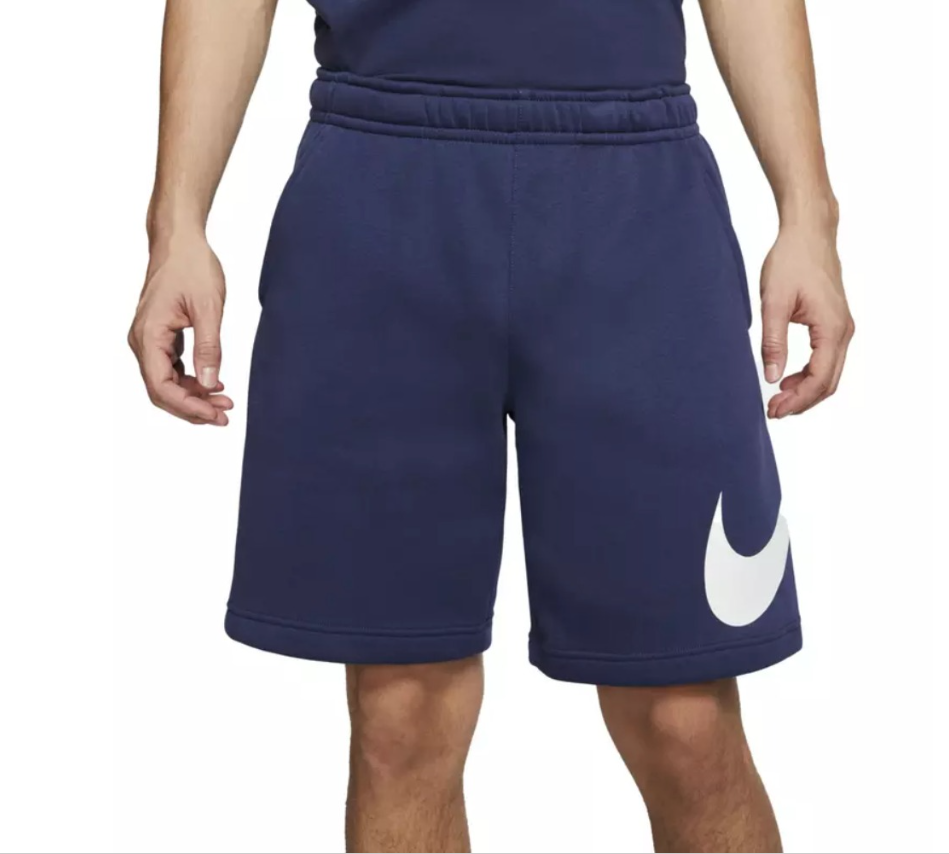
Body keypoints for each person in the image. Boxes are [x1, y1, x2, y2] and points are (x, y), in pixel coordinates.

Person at [128, 0, 854, 850]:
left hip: (634, 189)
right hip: (379, 182)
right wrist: (175, 227)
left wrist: (808, 217)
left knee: (682, 718)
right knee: (401, 716)